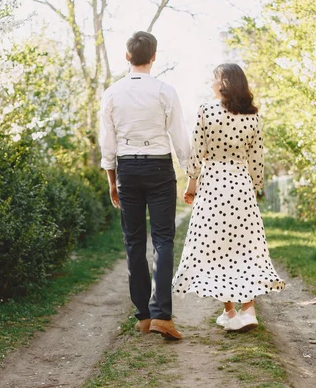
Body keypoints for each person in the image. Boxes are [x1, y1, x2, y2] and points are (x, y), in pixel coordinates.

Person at [172, 63, 285, 332]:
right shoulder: (253, 117)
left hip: (213, 186)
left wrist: (191, 186)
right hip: (241, 187)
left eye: (213, 79)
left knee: (217, 250)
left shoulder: (206, 111)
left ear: (222, 83)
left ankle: (231, 313)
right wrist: (256, 187)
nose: (210, 84)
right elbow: (257, 160)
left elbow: (197, 155)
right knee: (246, 249)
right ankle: (249, 310)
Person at [99, 31, 190, 340]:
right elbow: (179, 137)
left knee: (134, 241)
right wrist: (192, 174)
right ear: (154, 57)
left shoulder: (112, 93)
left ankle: (143, 316)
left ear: (127, 57)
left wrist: (113, 181)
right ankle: (162, 315)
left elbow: (107, 144)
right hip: (159, 167)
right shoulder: (165, 91)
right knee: (163, 240)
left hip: (127, 168)